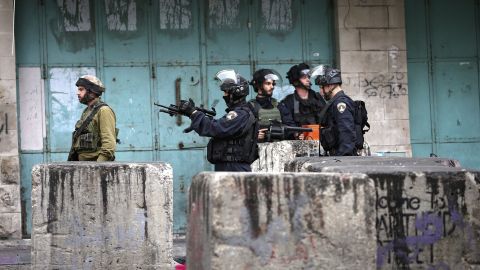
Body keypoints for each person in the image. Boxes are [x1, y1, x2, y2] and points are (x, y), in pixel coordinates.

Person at [177, 70, 257, 172]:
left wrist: (194, 114)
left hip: (234, 168)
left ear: (235, 93)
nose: (224, 95)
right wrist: (195, 115)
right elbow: (220, 126)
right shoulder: (240, 113)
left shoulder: (240, 114)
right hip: (229, 166)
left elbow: (217, 128)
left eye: (226, 92)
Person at [310, 65, 356, 156]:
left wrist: (343, 159)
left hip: (342, 158)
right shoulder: (335, 102)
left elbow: (346, 133)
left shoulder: (341, 104)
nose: (321, 91)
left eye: (322, 87)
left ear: (330, 86)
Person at [69, 75, 117, 161]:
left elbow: (109, 145)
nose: (78, 93)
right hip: (83, 166)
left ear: (92, 91)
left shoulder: (104, 111)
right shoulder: (86, 111)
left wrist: (97, 167)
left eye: (81, 89)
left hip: (95, 168)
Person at [249, 68, 296, 142]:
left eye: (273, 84)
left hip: (277, 149)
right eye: (268, 83)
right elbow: (244, 131)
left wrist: (295, 134)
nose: (272, 87)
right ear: (258, 85)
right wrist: (255, 136)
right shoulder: (250, 107)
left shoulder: (278, 105)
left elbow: (290, 126)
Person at [279, 63, 326, 130]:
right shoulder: (289, 101)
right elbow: (287, 123)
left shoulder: (317, 97)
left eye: (308, 77)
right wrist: (296, 133)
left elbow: (326, 119)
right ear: (296, 81)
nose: (308, 80)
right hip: (298, 139)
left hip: (318, 138)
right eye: (304, 78)